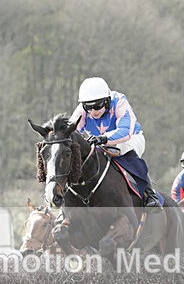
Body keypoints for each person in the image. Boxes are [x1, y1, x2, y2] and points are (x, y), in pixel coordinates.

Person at [68, 77, 160, 207]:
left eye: (97, 106)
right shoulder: (81, 110)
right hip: (100, 142)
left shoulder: (119, 101)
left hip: (132, 138)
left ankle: (150, 195)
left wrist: (103, 138)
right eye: (88, 107)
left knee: (123, 149)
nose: (93, 111)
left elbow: (125, 131)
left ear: (107, 101)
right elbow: (71, 131)